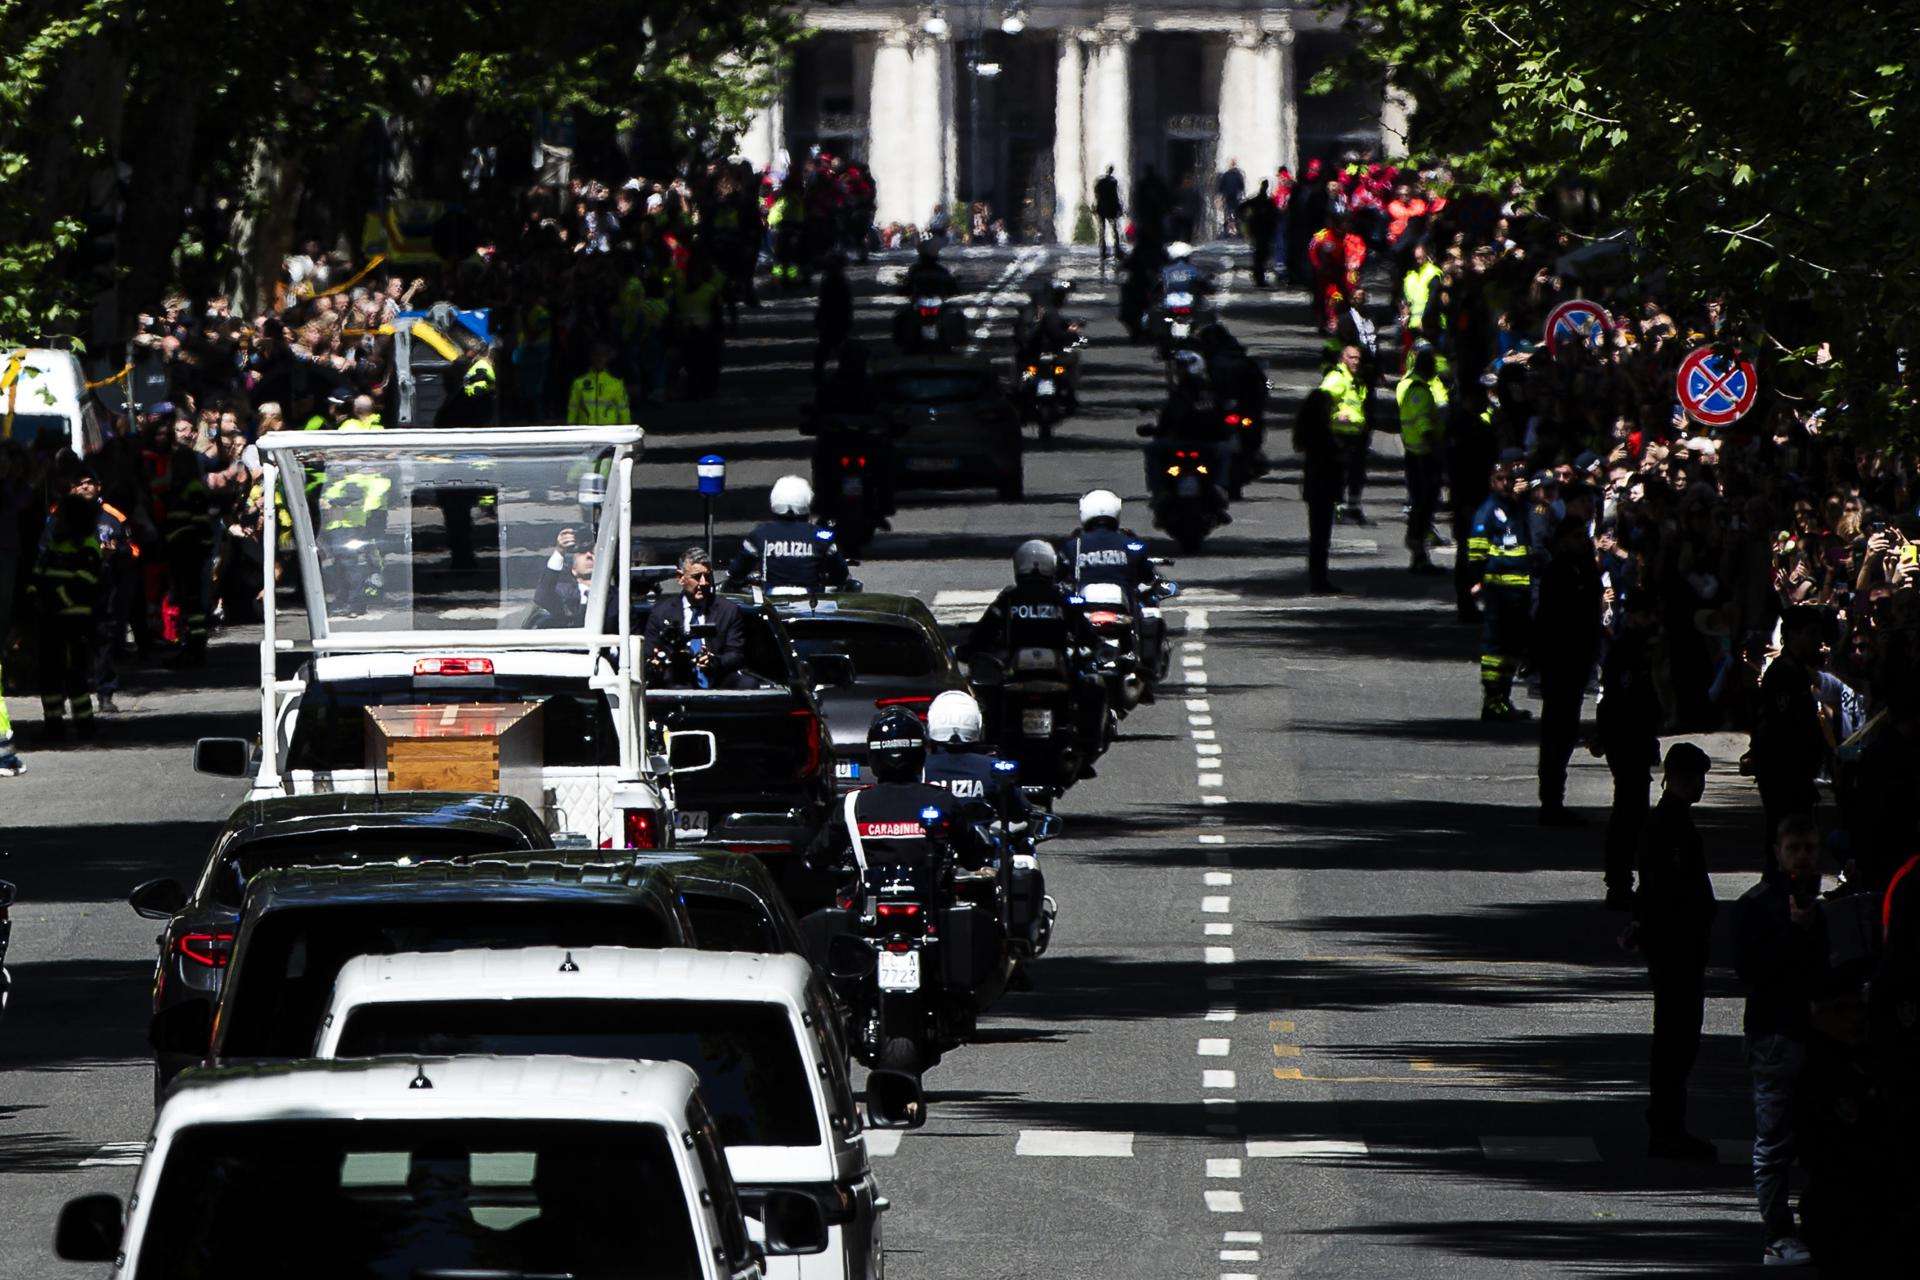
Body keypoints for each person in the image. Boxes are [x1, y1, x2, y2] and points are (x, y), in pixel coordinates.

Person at [1731, 813, 1825, 1269]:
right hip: (1773, 1033)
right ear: (1778, 853)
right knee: (1774, 1140)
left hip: (1816, 1033)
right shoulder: (1758, 905)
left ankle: (1818, 1222)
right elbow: (1752, 971)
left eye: (1810, 848)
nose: (1803, 858)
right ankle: (1777, 1233)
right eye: (1795, 849)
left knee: (1817, 1132)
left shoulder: (1822, 905)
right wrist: (1794, 931)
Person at [1632, 741, 1718, 1161]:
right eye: (1691, 778)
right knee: (1675, 1040)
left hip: (1679, 945)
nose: (1698, 785)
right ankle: (1666, 1127)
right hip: (1675, 947)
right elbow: (1663, 889)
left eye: (1700, 777)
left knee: (1679, 1039)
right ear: (1674, 779)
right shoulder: (1667, 826)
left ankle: (1668, 1124)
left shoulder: (1675, 821)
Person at [962, 540, 1105, 778]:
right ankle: (1087, 749)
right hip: (1051, 679)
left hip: (1025, 678)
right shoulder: (1061, 598)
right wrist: (1096, 648)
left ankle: (992, 745)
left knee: (987, 694)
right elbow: (1087, 634)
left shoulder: (1010, 598)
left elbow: (983, 632)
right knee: (1094, 688)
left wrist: (969, 650)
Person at [1058, 488, 1167, 696]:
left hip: (1087, 613)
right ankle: (1146, 672)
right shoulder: (1132, 545)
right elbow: (1147, 576)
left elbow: (1058, 576)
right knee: (1150, 613)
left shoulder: (1074, 545)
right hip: (1118, 613)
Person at [1596, 591, 1663, 910]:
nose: (1652, 621)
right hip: (1626, 737)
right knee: (1628, 811)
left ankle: (1625, 879)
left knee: (1634, 810)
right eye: (1646, 615)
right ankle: (1619, 880)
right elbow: (1618, 697)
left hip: (1637, 736)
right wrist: (1605, 734)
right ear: (1634, 616)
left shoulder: (1643, 648)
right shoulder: (1626, 650)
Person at [1535, 504, 1602, 825]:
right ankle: (1551, 801)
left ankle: (1554, 800)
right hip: (1560, 661)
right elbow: (1551, 620)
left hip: (1578, 661)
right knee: (1556, 733)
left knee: (1566, 731)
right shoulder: (1559, 572)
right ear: (1562, 541)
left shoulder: (1585, 569)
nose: (1582, 541)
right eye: (1575, 537)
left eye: (1583, 536)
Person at [1749, 607, 1827, 871]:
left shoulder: (1800, 671)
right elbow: (1782, 727)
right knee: (1785, 833)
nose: (1817, 641)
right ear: (1793, 635)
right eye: (1811, 634)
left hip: (1796, 770)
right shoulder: (1784, 673)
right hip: (1783, 771)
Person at [1467, 452, 1533, 722]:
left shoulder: (1518, 507)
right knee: (1495, 647)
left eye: (1509, 479)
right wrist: (1477, 581)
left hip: (1521, 590)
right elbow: (1476, 551)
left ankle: (1503, 698)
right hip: (1498, 590)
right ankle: (1492, 699)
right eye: (1500, 479)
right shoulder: (1488, 510)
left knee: (1513, 646)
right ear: (1491, 481)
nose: (1505, 483)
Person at [33, 495, 105, 742]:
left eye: (61, 517)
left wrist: (56, 597)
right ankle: (53, 725)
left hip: (75, 621)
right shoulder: (54, 546)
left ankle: (85, 724)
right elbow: (39, 574)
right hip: (50, 619)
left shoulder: (88, 545)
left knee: (76, 672)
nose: (57, 521)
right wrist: (34, 595)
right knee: (48, 673)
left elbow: (86, 582)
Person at [641, 547, 746, 689]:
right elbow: (648, 653)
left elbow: (736, 654)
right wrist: (656, 662)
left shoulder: (728, 611)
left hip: (719, 683)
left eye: (707, 576)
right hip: (676, 684)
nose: (703, 582)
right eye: (697, 577)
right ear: (681, 578)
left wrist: (715, 661)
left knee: (747, 684)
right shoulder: (661, 612)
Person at [727, 475, 850, 592]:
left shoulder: (760, 534)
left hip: (770, 602)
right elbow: (841, 573)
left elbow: (736, 572)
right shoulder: (822, 536)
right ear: (806, 501)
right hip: (812, 601)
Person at [1395, 344, 1447, 570]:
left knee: (1424, 505)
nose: (1435, 369)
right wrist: (1436, 449)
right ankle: (1418, 552)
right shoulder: (1418, 391)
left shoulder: (1419, 387)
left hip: (1418, 455)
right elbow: (1423, 424)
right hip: (1421, 457)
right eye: (1432, 365)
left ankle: (1420, 554)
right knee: (1423, 505)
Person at [1293, 378, 1342, 593]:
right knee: (1321, 537)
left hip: (1316, 487)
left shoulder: (1310, 432)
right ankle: (1318, 579)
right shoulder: (1321, 434)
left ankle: (1318, 577)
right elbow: (1330, 459)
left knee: (1319, 536)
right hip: (1323, 487)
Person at [1318, 344, 1370, 524]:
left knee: (1357, 473)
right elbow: (1321, 402)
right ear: (1343, 359)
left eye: (1358, 358)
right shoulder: (1337, 378)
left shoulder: (1355, 379)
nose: (1356, 361)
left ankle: (1353, 508)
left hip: (1356, 434)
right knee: (1339, 473)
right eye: (1351, 358)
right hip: (1339, 435)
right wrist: (1335, 416)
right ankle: (1337, 508)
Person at [565, 343, 631, 426]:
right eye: (596, 355)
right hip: (586, 430)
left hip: (609, 430)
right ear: (591, 357)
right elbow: (573, 409)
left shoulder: (616, 384)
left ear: (607, 358)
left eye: (603, 355)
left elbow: (623, 410)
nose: (599, 358)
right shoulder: (579, 383)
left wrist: (626, 429)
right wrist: (571, 427)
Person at [813, 252, 854, 386]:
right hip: (835, 317)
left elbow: (824, 301)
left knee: (828, 346)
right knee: (832, 346)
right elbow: (841, 302)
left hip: (833, 317)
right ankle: (841, 372)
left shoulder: (831, 279)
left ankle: (823, 372)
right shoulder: (837, 280)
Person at [1239, 180, 1280, 287]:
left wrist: (1246, 219)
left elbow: (1241, 208)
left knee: (1260, 253)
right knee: (1262, 254)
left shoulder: (1257, 200)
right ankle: (1259, 277)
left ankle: (1258, 276)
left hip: (1258, 230)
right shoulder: (1268, 202)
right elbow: (1276, 215)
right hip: (1263, 230)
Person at [1093, 165, 1123, 264]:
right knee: (1114, 229)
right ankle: (1117, 250)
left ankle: (1103, 251)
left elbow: (1096, 195)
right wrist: (1119, 208)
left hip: (1102, 208)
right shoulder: (1113, 182)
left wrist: (1096, 206)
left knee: (1102, 230)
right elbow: (1115, 196)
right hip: (1111, 208)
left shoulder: (1100, 181)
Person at [1216, 159, 1245, 237]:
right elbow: (1241, 187)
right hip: (1233, 197)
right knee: (1234, 214)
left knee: (1228, 214)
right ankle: (1236, 232)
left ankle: (1227, 231)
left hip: (1229, 197)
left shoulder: (1227, 175)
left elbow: (1221, 187)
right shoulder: (1237, 175)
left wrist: (1221, 195)